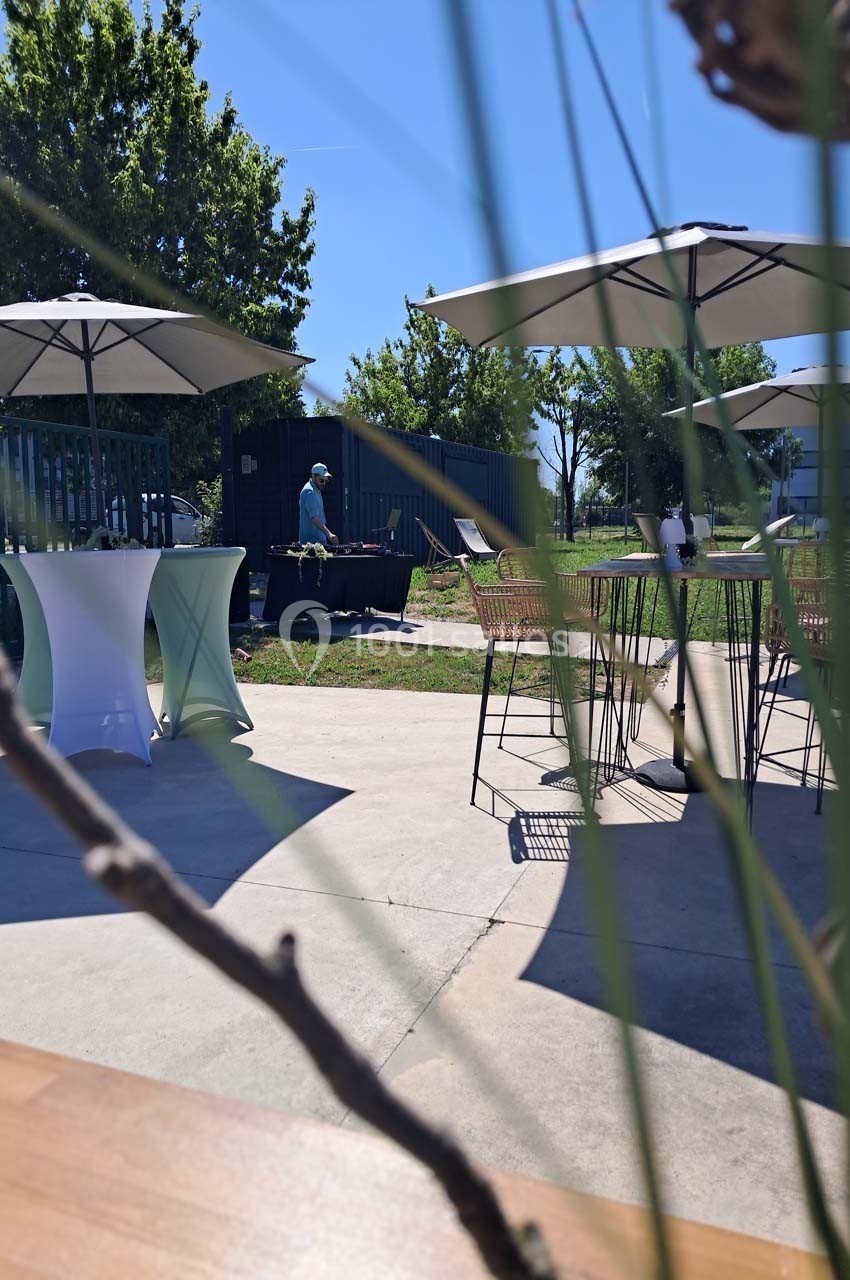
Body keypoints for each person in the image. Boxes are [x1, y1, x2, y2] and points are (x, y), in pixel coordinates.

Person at [299, 463, 338, 545]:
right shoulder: (311, 492)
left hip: (316, 541)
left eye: (325, 481)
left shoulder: (315, 489)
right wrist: (329, 534)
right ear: (314, 476)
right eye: (321, 480)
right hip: (312, 542)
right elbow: (314, 518)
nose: (324, 483)